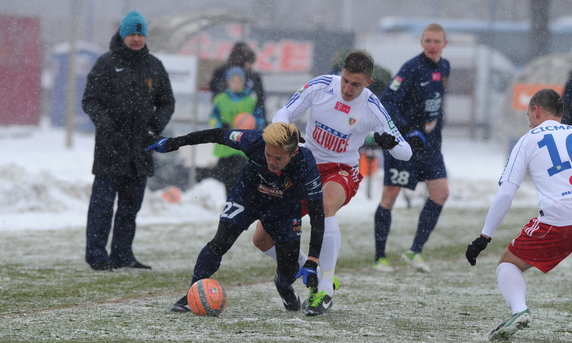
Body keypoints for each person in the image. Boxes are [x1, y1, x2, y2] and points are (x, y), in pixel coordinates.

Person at [252, 50, 413, 316]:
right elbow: (282, 114)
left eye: (356, 84)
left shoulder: (373, 108)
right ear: (341, 75)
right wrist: (287, 134)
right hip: (306, 167)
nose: (348, 89)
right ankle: (307, 271)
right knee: (262, 238)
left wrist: (391, 144)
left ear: (368, 83)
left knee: (326, 205)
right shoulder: (320, 86)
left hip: (342, 170)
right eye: (346, 81)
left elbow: (406, 153)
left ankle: (325, 289)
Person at [146, 122, 325, 313]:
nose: (271, 162)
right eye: (268, 156)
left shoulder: (306, 162)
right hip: (247, 197)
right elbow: (216, 134)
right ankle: (192, 294)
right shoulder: (253, 140)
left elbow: (317, 213)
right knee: (220, 242)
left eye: (279, 159)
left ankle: (283, 285)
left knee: (286, 275)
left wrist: (313, 260)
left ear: (293, 152)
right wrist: (175, 143)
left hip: (284, 209)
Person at [465, 88, 572, 341]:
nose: (528, 120)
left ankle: (519, 311)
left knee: (509, 264)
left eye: (528, 115)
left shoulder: (529, 139)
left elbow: (506, 193)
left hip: (559, 219)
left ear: (536, 110)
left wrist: (485, 236)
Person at [82, 10, 175, 271]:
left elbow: (167, 101)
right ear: (123, 35)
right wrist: (107, 126)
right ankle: (97, 256)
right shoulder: (106, 64)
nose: (136, 39)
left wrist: (154, 127)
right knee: (101, 206)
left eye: (140, 34)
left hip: (140, 151)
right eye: (132, 33)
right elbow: (90, 100)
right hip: (110, 150)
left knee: (130, 208)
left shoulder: (154, 66)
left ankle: (123, 256)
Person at [372, 23, 450, 273]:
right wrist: (409, 130)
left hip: (431, 146)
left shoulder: (445, 66)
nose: (432, 46)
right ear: (421, 43)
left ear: (444, 44)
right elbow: (388, 102)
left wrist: (434, 128)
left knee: (440, 193)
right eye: (428, 41)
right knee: (390, 196)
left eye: (437, 41)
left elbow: (435, 103)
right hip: (405, 145)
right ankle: (379, 257)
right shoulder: (411, 68)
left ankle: (415, 251)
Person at [209, 66, 264, 195]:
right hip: (225, 146)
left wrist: (253, 127)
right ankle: (230, 202)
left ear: (243, 82)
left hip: (243, 147)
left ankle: (241, 203)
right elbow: (212, 118)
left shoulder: (251, 100)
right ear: (228, 82)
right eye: (233, 81)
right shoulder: (220, 100)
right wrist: (220, 125)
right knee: (226, 178)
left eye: (239, 81)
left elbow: (259, 118)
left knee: (240, 176)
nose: (236, 83)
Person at [209, 41, 266, 125]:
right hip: (228, 126)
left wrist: (257, 124)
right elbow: (215, 116)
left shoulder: (251, 97)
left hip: (244, 126)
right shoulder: (224, 75)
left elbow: (259, 105)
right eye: (248, 62)